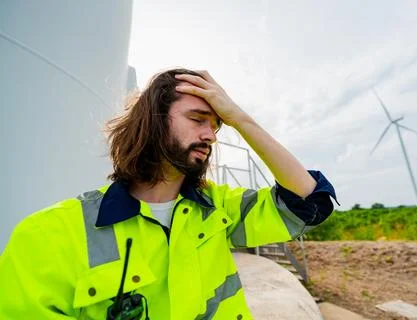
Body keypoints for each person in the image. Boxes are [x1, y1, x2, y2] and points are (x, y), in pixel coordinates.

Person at [0, 69, 337, 319]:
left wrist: (239, 118)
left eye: (217, 126)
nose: (211, 136)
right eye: (197, 119)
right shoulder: (47, 236)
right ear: (153, 121)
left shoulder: (220, 208)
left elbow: (309, 202)